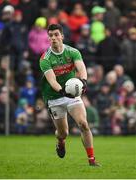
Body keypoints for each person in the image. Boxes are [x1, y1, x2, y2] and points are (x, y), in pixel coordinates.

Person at [39, 24, 100, 166]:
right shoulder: (45, 59)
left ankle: (91, 160)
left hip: (72, 94)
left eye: (56, 34)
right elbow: (52, 80)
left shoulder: (73, 52)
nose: (53, 38)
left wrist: (84, 81)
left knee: (84, 124)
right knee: (63, 133)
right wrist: (62, 91)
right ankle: (60, 142)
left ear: (62, 36)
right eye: (51, 35)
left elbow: (81, 68)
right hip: (54, 97)